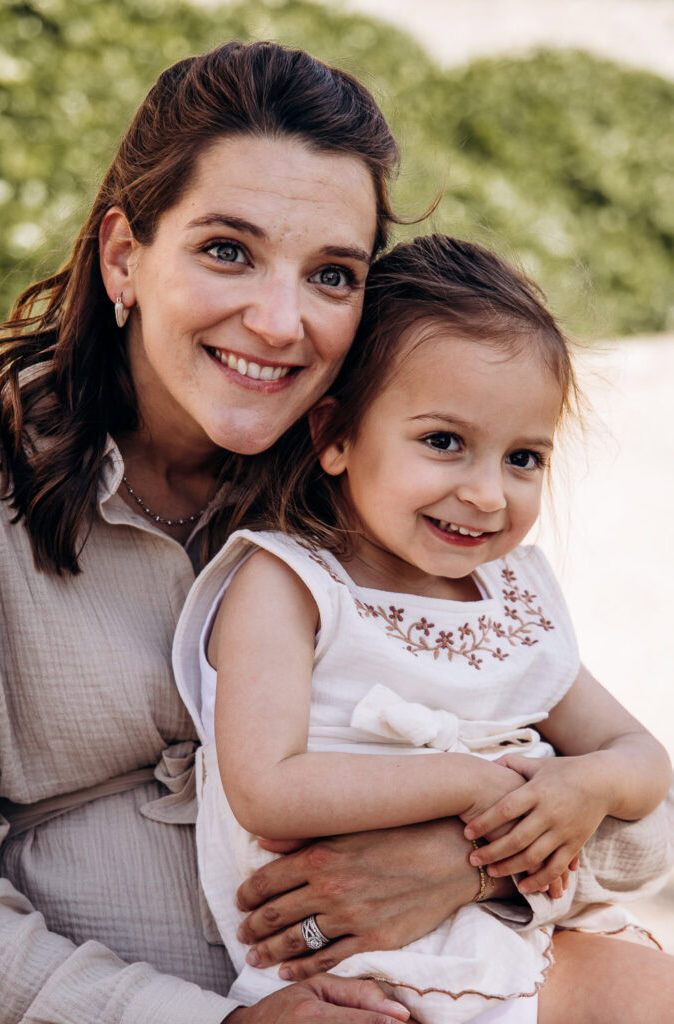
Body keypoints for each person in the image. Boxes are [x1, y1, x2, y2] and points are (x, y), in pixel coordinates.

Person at [0, 38, 671, 1024]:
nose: (278, 321)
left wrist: (462, 866)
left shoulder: (390, 497)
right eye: (228, 250)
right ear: (124, 258)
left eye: (332, 274)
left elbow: (635, 827)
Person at [173, 235, 674, 1023]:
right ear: (334, 436)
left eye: (522, 457)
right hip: (363, 961)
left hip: (519, 930)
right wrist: (477, 785)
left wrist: (587, 784)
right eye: (444, 443)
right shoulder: (292, 584)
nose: (485, 493)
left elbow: (645, 760)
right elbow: (266, 787)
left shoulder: (508, 600)